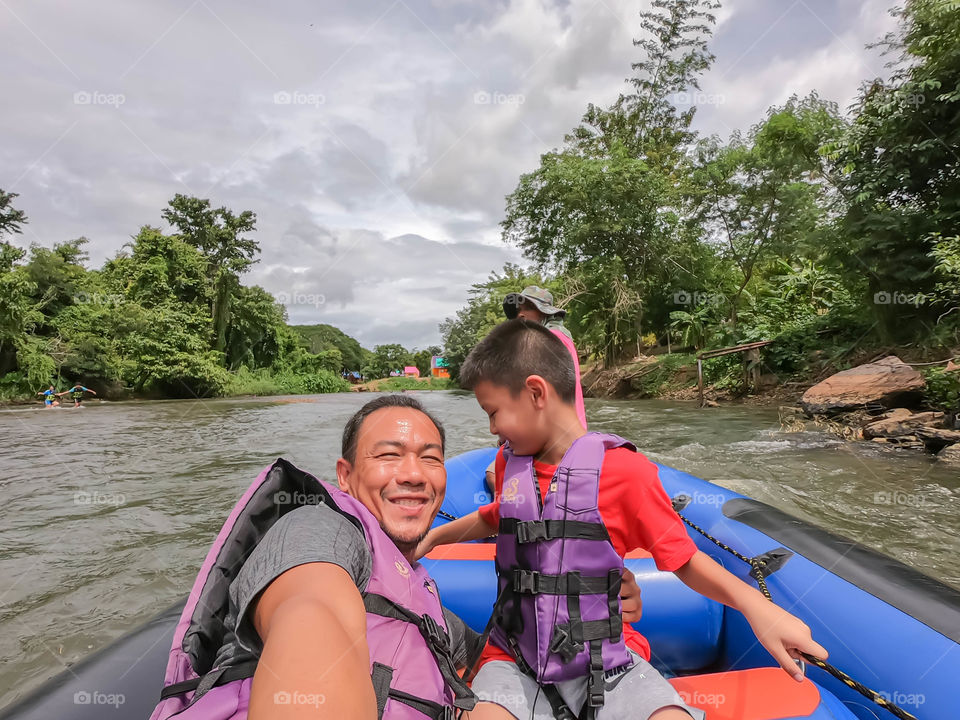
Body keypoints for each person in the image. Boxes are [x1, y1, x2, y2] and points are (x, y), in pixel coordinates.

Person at [418, 320, 827, 720]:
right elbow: (498, 514)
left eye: (494, 412)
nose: (492, 429)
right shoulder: (509, 463)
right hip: (512, 654)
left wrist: (761, 610)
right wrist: (430, 539)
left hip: (603, 659)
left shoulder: (626, 473)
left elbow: (682, 558)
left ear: (535, 393)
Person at [155, 395, 643, 720]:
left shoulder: (422, 598)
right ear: (344, 477)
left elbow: (505, 653)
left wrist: (590, 600)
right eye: (389, 455)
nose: (414, 474)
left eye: (431, 458)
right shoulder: (317, 530)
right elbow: (311, 613)